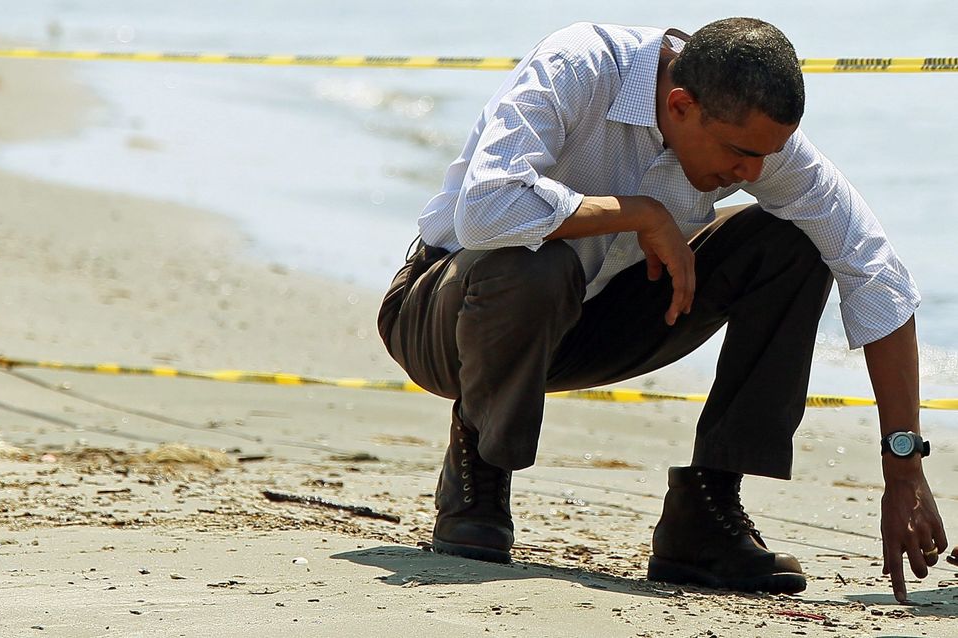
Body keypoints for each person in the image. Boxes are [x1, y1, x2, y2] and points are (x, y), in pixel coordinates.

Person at [376, 17, 949, 601]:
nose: (752, 173)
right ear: (680, 105)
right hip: (449, 320)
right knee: (534, 261)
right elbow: (485, 209)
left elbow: (875, 271)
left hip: (586, 325)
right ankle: (480, 470)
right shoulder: (579, 66)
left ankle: (705, 513)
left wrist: (903, 464)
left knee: (794, 242)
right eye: (740, 154)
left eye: (766, 156)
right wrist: (640, 212)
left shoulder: (749, 134)